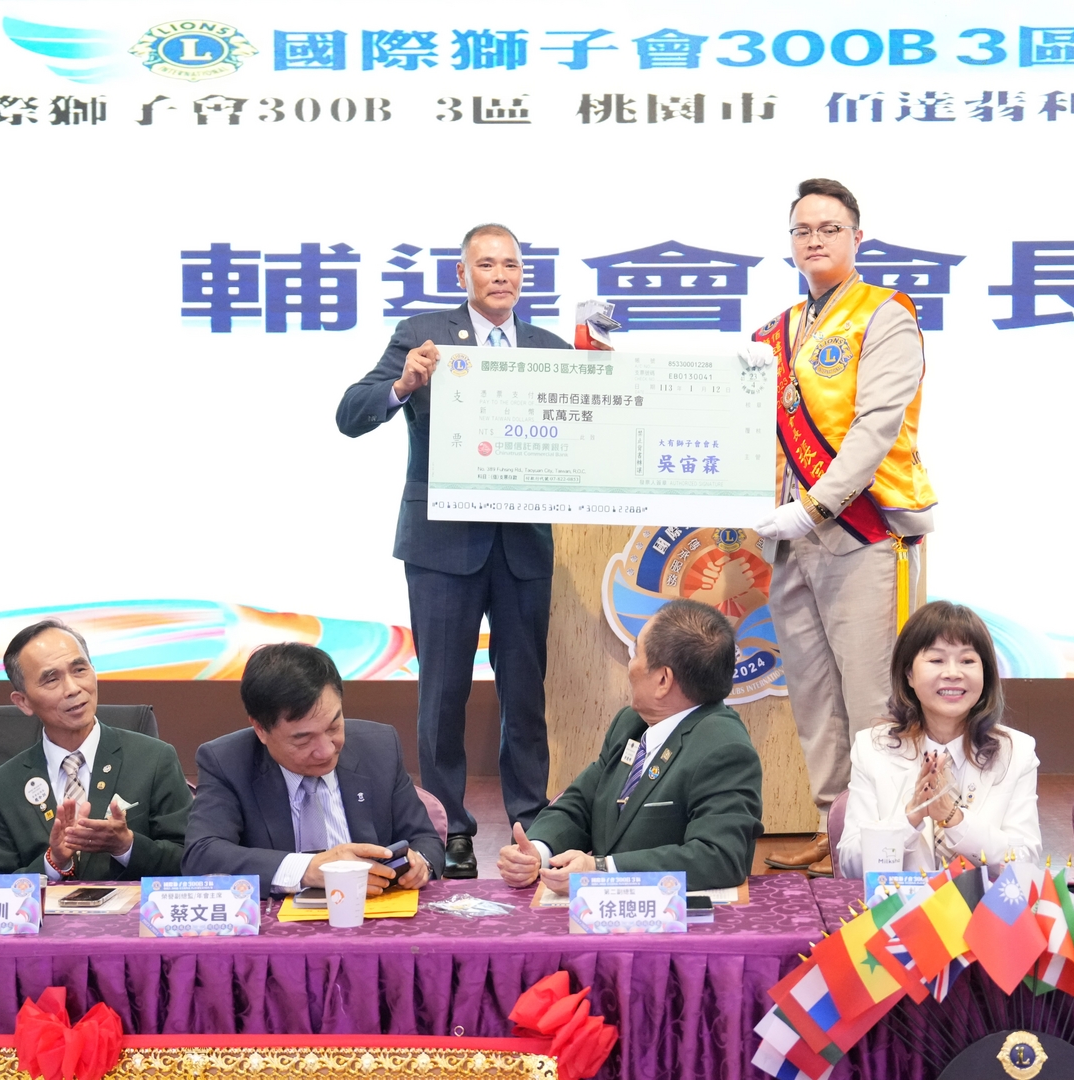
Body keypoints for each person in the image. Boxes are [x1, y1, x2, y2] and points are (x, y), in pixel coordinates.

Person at [334, 224, 571, 879]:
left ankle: (532, 826)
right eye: (486, 265)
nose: (501, 275)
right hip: (442, 548)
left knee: (526, 694)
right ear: (462, 275)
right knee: (442, 695)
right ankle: (449, 828)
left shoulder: (551, 349)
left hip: (523, 547)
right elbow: (350, 414)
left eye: (511, 265)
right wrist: (403, 384)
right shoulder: (423, 336)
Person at [746, 180, 935, 874]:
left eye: (829, 228)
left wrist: (815, 505)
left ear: (858, 237)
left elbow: (876, 428)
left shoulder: (885, 314)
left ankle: (887, 839)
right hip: (791, 540)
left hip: (863, 532)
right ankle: (837, 828)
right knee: (814, 698)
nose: (815, 239)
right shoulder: (775, 331)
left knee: (874, 698)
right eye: (803, 230)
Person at [497, 599, 763, 894]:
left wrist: (603, 870)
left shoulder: (724, 748)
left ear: (663, 680)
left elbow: (720, 857)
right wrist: (537, 851)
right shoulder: (631, 724)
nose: (630, 664)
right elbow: (581, 802)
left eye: (636, 653)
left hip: (678, 916)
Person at [182, 642, 441, 896]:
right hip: (274, 919)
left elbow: (425, 839)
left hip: (371, 911)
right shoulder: (227, 762)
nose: (326, 751)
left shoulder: (379, 747)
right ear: (260, 729)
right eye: (303, 739)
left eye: (333, 727)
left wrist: (420, 863)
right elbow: (202, 855)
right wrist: (307, 869)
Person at [836, 602, 1039, 878]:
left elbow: (1025, 861)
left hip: (983, 904)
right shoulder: (873, 748)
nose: (953, 673)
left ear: (986, 674)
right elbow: (851, 865)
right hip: (899, 904)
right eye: (936, 660)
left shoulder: (1016, 752)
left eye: (967, 661)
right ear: (909, 674)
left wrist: (954, 819)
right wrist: (911, 817)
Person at [0, 619, 192, 879]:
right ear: (23, 702)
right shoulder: (0, 788)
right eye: (51, 679)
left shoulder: (154, 760)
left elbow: (190, 859)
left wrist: (127, 846)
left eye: (79, 670)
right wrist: (54, 862)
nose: (73, 688)